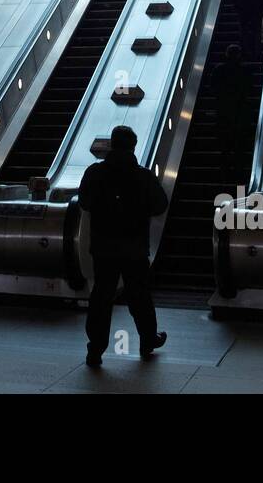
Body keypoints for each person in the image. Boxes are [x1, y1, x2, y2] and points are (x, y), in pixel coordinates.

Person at [78, 125, 169, 367]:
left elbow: (84, 202)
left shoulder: (95, 172)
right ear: (133, 147)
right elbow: (160, 205)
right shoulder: (143, 175)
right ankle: (148, 339)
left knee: (102, 296)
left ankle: (95, 349)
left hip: (104, 247)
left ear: (112, 144)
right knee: (139, 294)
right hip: (134, 247)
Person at [210, 44, 254, 159]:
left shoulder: (219, 69)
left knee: (225, 144)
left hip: (223, 110)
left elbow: (213, 88)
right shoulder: (245, 71)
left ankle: (225, 167)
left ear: (227, 55)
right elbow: (250, 88)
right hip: (240, 109)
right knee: (239, 143)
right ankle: (238, 166)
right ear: (239, 55)